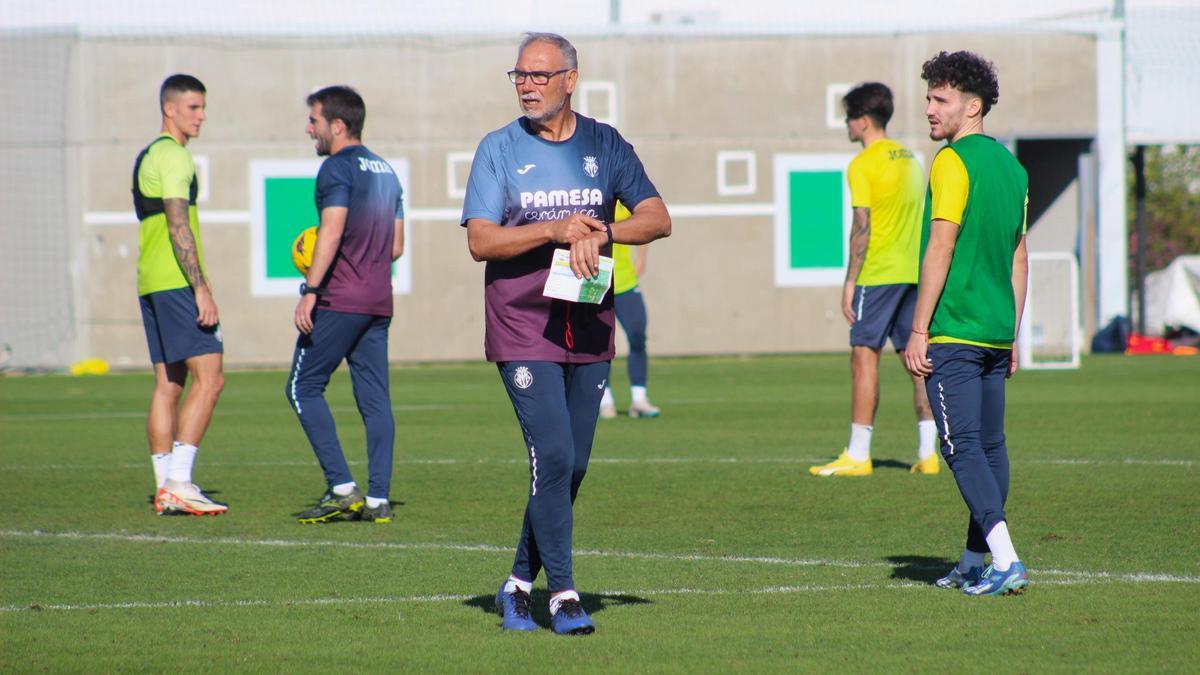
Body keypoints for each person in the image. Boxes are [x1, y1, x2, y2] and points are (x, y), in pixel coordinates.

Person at [462, 32, 670, 635]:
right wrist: (552, 229)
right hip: (522, 325)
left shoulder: (605, 144)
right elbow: (481, 241)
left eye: (538, 76)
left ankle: (517, 585)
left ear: (570, 80)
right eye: (519, 76)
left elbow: (658, 218)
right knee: (551, 455)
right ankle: (564, 595)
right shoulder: (497, 149)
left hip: (589, 323)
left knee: (570, 466)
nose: (527, 85)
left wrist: (601, 230)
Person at [904, 51, 1030, 596]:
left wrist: (917, 329)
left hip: (955, 329)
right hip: (997, 330)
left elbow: (941, 244)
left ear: (972, 107)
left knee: (961, 447)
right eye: (928, 97)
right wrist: (1014, 332)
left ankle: (1006, 560)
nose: (929, 108)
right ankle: (975, 560)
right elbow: (1019, 257)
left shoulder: (953, 162)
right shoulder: (1013, 167)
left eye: (940, 99)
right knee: (991, 448)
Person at [285, 86, 405, 525]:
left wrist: (311, 290)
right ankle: (378, 500)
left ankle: (341, 488)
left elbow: (331, 231)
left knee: (303, 387)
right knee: (375, 401)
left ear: (337, 125)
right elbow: (396, 247)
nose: (308, 128)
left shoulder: (336, 168)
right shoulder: (388, 171)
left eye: (313, 120)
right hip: (378, 300)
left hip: (340, 299)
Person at [809, 82, 937, 478]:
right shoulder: (909, 157)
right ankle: (929, 454)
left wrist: (850, 281)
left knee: (863, 356)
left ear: (863, 121)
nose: (847, 125)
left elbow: (861, 225)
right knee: (916, 362)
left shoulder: (863, 164)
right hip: (914, 273)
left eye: (849, 118)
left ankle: (859, 455)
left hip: (878, 274)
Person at [133, 73, 227, 515]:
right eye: (193, 108)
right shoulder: (174, 157)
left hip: (150, 281)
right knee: (210, 378)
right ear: (169, 109)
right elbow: (177, 223)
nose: (201, 115)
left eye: (203, 107)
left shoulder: (148, 155)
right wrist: (201, 288)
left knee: (168, 385)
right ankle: (180, 481)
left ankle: (165, 487)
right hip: (175, 283)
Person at [599, 201, 661, 419]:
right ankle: (605, 400)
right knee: (600, 343)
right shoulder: (591, 195)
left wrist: (641, 258)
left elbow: (644, 223)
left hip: (625, 281)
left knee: (637, 335)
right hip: (598, 281)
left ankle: (639, 399)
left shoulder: (624, 200)